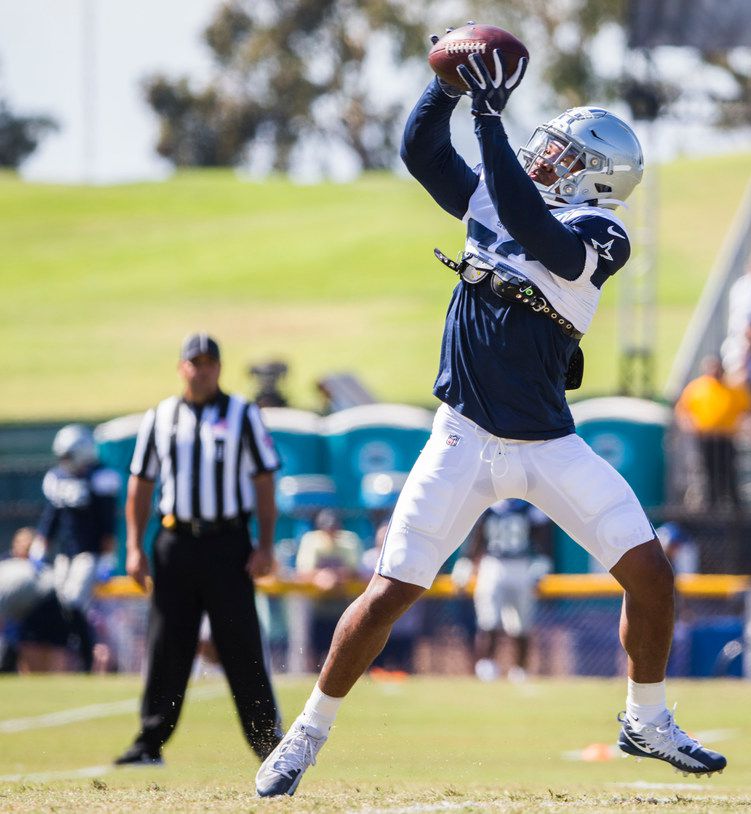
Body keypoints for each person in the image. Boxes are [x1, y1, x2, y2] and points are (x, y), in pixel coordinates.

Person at [256, 40, 726, 798]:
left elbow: (533, 228)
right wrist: (444, 90)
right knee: (388, 592)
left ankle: (646, 719)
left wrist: (488, 116)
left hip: (546, 445)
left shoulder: (603, 233)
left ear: (593, 174)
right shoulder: (503, 192)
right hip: (462, 436)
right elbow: (421, 154)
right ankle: (305, 735)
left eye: (563, 153)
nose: (546, 155)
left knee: (652, 578)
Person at [114, 332, 282, 767]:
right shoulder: (161, 417)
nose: (201, 369)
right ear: (181, 367)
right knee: (167, 644)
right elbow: (140, 484)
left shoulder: (243, 414)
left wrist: (264, 545)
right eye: (194, 362)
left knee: (240, 643)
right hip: (175, 541)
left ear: (219, 368)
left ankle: (269, 743)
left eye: (209, 362)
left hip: (228, 542)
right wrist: (134, 546)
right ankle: (150, 742)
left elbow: (265, 481)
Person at [32, 423, 120, 672]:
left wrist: (107, 557)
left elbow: (107, 522)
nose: (64, 460)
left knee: (73, 602)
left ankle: (87, 655)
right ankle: (81, 654)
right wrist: (41, 545)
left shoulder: (101, 477)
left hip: (89, 552)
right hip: (64, 552)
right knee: (63, 603)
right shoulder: (57, 478)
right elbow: (52, 516)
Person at [452, 499, 552, 682]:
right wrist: (465, 562)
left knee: (522, 624)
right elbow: (476, 537)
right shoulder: (487, 507)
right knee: (488, 620)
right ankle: (487, 667)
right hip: (493, 564)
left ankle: (520, 670)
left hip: (522, 564)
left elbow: (542, 540)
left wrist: (541, 562)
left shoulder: (530, 508)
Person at [676, 356, 751, 510]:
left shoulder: (734, 388)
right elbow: (683, 410)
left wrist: (743, 425)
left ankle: (735, 509)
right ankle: (710, 507)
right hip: (706, 438)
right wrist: (690, 426)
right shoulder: (696, 388)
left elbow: (746, 410)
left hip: (726, 438)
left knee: (729, 473)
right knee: (708, 474)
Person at [294, 509, 363, 671]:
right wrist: (323, 575)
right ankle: (313, 674)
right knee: (315, 648)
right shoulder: (311, 541)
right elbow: (303, 572)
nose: (331, 531)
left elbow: (355, 571)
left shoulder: (349, 541)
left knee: (343, 647)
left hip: (343, 606)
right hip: (316, 607)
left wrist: (333, 576)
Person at [0, 528, 71, 673]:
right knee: (30, 669)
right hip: (22, 620)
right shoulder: (7, 566)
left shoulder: (42, 565)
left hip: (47, 612)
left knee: (52, 665)